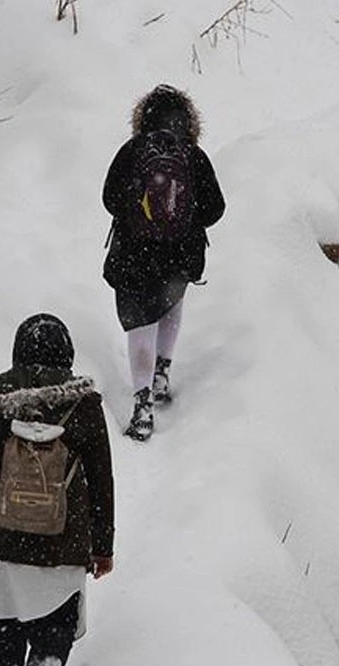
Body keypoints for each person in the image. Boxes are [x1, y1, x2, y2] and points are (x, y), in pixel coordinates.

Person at [0, 314, 115, 666]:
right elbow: (101, 479)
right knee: (57, 618)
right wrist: (103, 545)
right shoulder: (84, 405)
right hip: (62, 539)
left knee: (5, 616)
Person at [102, 83, 225, 441]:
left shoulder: (132, 150)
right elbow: (216, 208)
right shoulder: (193, 155)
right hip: (179, 256)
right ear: (188, 121)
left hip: (133, 256)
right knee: (171, 301)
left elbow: (109, 199)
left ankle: (142, 403)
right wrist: (183, 221)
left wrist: (137, 216)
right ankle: (162, 372)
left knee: (139, 323)